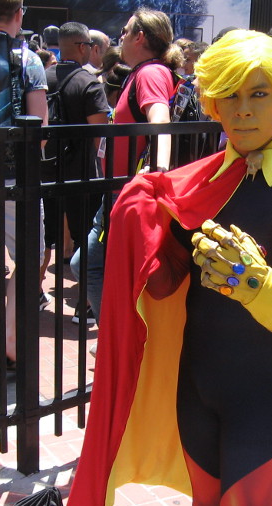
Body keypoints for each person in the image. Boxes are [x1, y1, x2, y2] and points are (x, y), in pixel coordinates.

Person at [50, 29, 272, 506]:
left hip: (263, 399)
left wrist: (259, 286)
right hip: (198, 391)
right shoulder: (203, 183)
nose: (243, 110)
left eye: (258, 94)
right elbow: (165, 283)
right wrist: (142, 222)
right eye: (229, 95)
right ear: (212, 101)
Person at [70, 9, 183, 329]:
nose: (120, 37)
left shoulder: (150, 73)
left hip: (128, 193)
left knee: (88, 264)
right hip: (122, 191)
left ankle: (116, 337)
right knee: (103, 267)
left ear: (140, 37)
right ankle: (121, 338)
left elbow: (160, 121)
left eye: (125, 31)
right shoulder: (143, 72)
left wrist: (158, 173)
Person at [42, 21, 109, 324]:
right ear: (83, 46)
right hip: (81, 174)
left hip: (44, 171)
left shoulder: (41, 78)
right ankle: (85, 306)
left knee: (44, 238)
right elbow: (99, 132)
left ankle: (33, 295)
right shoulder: (88, 83)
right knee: (85, 239)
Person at [0, 0, 48, 367]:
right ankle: (12, 341)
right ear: (19, 14)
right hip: (15, 174)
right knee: (29, 257)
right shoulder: (28, 59)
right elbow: (39, 129)